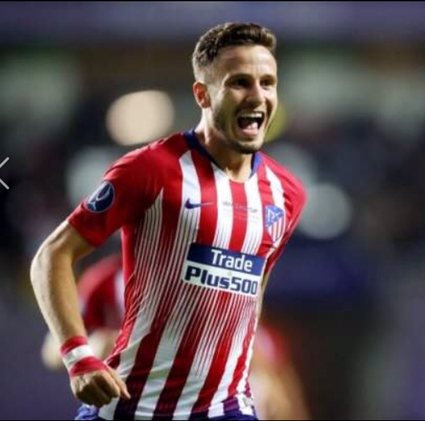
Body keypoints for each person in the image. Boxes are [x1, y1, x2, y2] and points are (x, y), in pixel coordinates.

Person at [30, 22, 306, 420]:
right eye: (239, 82)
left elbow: (247, 302)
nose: (257, 95)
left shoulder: (287, 194)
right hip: (133, 406)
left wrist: (264, 377)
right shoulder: (150, 169)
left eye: (267, 82)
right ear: (203, 94)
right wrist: (79, 357)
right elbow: (52, 255)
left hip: (226, 408)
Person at [42, 255, 310, 420]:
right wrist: (92, 347)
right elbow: (53, 350)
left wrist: (268, 380)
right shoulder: (106, 281)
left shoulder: (205, 273)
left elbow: (241, 335)